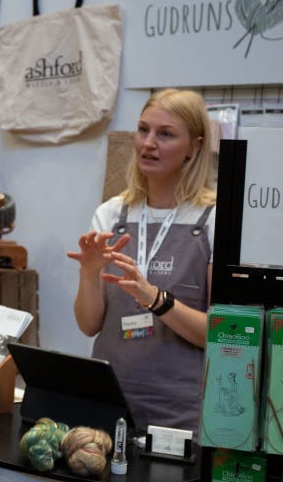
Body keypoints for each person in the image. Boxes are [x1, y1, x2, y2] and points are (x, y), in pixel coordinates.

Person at [67, 88, 215, 435]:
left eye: (166, 134)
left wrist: (155, 299)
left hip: (180, 412)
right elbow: (89, 325)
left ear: (194, 147)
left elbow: (219, 334)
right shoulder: (111, 214)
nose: (148, 143)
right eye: (143, 130)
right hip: (109, 400)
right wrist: (89, 272)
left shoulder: (213, 219)